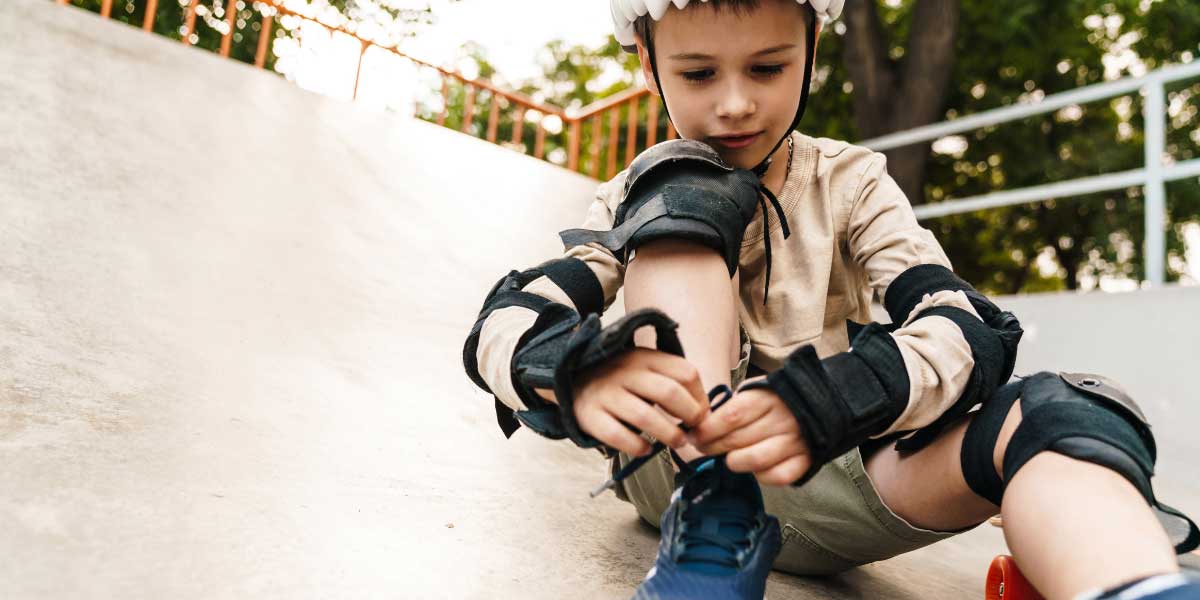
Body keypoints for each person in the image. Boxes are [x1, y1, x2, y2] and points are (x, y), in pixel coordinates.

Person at [462, 1, 1200, 598]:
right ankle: (718, 512)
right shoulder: (632, 194)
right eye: (697, 74)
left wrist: (834, 398)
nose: (735, 103)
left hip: (832, 466)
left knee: (1065, 411)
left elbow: (964, 323)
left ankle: (1125, 579)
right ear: (649, 66)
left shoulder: (854, 183)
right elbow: (511, 318)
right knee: (681, 184)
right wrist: (580, 370)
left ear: (813, 41)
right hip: (680, 463)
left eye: (768, 66)